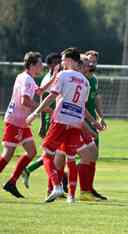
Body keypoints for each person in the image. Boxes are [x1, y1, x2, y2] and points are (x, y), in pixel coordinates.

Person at [26, 47, 95, 202]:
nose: (61, 63)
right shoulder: (86, 81)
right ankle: (71, 196)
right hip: (76, 122)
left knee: (46, 154)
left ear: (70, 60)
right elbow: (82, 107)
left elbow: (51, 97)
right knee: (71, 158)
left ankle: (56, 187)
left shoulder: (63, 75)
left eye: (63, 60)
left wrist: (35, 113)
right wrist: (92, 122)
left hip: (61, 119)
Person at [0, 52, 44, 198]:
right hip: (15, 121)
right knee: (7, 154)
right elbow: (25, 101)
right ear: (31, 65)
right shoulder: (26, 79)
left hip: (22, 123)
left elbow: (39, 91)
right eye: (39, 63)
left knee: (31, 152)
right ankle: (11, 182)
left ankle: (11, 182)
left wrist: (55, 78)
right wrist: (41, 108)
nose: (41, 65)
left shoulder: (25, 77)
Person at [21, 53, 67, 191]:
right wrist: (42, 122)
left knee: (56, 153)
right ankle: (54, 186)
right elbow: (42, 100)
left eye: (60, 61)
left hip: (59, 119)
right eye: (57, 62)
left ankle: (30, 170)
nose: (60, 64)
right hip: (50, 119)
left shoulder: (57, 77)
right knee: (54, 153)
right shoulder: (48, 78)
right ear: (51, 65)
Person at [82, 50, 107, 200]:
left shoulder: (94, 80)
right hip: (82, 121)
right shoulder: (81, 79)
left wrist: (101, 117)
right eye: (89, 61)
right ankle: (83, 189)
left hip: (93, 122)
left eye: (94, 62)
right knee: (81, 155)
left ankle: (89, 188)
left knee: (94, 155)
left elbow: (96, 99)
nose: (92, 64)